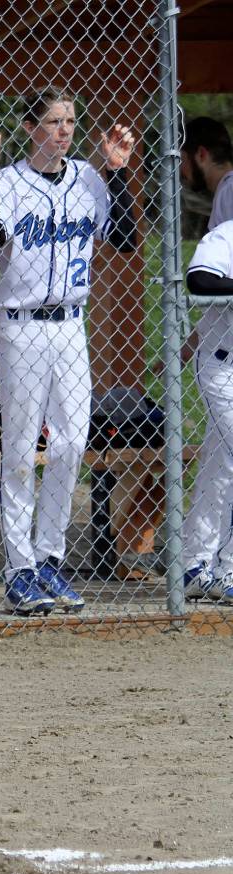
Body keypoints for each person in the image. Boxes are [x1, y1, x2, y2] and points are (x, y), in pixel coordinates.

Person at [0, 87, 137, 615]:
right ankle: (19, 569)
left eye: (69, 120)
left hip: (70, 327)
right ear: (29, 127)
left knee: (71, 444)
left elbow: (127, 237)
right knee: (20, 449)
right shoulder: (11, 182)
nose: (63, 129)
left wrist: (118, 171)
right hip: (21, 326)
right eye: (52, 121)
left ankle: (49, 560)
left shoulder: (89, 177)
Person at [181, 219, 233, 603]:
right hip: (222, 364)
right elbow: (199, 279)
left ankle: (195, 565)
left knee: (220, 463)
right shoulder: (226, 235)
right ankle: (227, 567)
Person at [181, 116, 233, 230]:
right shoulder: (226, 189)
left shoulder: (229, 191)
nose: (180, 169)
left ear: (201, 155)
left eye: (182, 160)